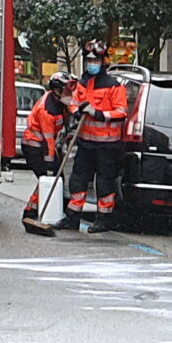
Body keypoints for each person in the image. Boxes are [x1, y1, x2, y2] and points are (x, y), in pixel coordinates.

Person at [63, 63, 131, 234]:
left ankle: (103, 219)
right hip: (85, 142)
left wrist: (98, 113)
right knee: (77, 179)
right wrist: (77, 111)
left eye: (95, 60)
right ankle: (72, 218)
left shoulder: (114, 86)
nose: (91, 64)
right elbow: (73, 103)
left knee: (104, 183)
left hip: (107, 144)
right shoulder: (83, 83)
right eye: (89, 60)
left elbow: (121, 112)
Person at [19, 74, 76, 236]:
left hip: (45, 145)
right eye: (66, 90)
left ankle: (46, 209)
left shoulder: (58, 102)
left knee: (56, 180)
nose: (68, 93)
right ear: (57, 90)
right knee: (47, 178)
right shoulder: (47, 111)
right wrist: (50, 164)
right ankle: (30, 211)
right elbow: (48, 141)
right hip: (35, 147)